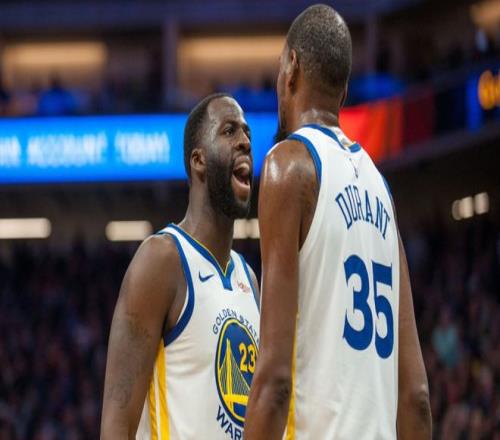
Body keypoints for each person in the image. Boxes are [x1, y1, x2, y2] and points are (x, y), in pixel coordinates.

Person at [244, 5, 432, 440]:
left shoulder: (288, 166)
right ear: (344, 91)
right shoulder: (382, 189)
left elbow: (274, 382)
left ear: (291, 68)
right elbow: (417, 397)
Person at [101, 93, 260, 439]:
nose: (245, 142)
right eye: (229, 131)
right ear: (198, 161)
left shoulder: (248, 278)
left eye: (247, 132)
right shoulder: (162, 260)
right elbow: (116, 424)